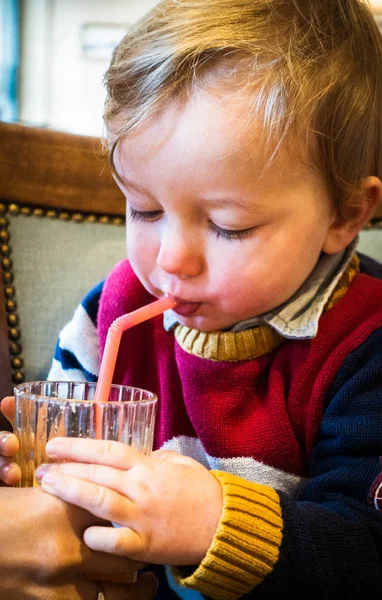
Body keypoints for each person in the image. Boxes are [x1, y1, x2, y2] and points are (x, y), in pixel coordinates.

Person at [2, 0, 382, 597]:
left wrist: (212, 523)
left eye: (229, 225)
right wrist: (49, 485)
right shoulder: (113, 312)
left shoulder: (365, 342)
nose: (169, 260)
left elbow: (368, 551)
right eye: (144, 209)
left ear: (346, 214)